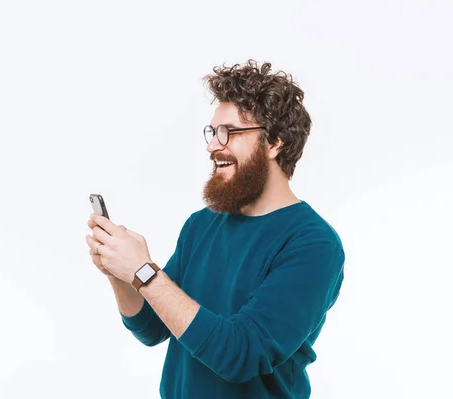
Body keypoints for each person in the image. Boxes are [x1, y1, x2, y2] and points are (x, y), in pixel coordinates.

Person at [85, 60, 345, 399]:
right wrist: (119, 273)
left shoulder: (313, 244)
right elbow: (152, 327)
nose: (212, 146)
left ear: (274, 143)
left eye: (228, 132)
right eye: (212, 132)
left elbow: (242, 355)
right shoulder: (202, 224)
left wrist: (143, 270)